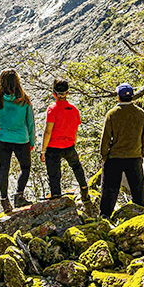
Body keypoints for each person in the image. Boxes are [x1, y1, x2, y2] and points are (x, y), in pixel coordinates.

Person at [0, 69, 35, 213]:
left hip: (2, 138)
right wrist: (32, 141)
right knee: (25, 168)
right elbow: (31, 122)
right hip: (22, 139)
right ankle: (19, 196)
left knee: (4, 169)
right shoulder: (24, 99)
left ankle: (5, 201)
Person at [98, 82, 144, 217]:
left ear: (118, 97)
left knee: (110, 189)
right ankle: (142, 214)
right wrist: (141, 154)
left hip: (114, 157)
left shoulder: (112, 114)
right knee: (138, 189)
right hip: (134, 156)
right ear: (132, 97)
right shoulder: (141, 114)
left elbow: (106, 138)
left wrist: (104, 156)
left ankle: (105, 216)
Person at [43, 79, 90, 208]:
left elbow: (48, 131)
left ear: (54, 93)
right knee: (76, 167)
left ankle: (56, 196)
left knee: (54, 174)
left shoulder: (52, 109)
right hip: (69, 146)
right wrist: (72, 142)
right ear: (67, 93)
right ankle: (84, 188)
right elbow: (75, 129)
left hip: (53, 147)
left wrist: (43, 150)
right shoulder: (74, 109)